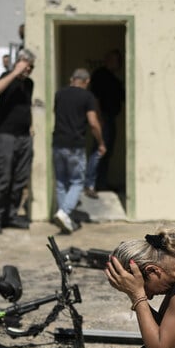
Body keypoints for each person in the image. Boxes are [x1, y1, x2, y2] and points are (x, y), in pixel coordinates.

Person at [0, 49, 36, 235]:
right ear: (19, 62)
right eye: (26, 65)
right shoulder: (6, 77)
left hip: (24, 136)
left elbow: (27, 106)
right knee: (3, 177)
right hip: (5, 134)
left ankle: (11, 215)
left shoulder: (29, 84)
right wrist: (15, 72)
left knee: (20, 178)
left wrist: (30, 126)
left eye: (31, 67)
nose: (28, 70)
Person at [51, 68, 105, 233]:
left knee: (61, 182)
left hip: (58, 143)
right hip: (75, 145)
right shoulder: (87, 97)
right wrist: (101, 142)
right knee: (77, 182)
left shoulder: (59, 94)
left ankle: (65, 218)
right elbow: (93, 122)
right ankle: (64, 212)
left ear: (71, 79)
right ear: (87, 81)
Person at [85, 49, 125, 197]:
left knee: (106, 152)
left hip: (110, 118)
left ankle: (101, 183)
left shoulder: (113, 78)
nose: (119, 63)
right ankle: (90, 185)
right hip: (103, 119)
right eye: (117, 60)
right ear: (108, 60)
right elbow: (95, 98)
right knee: (99, 151)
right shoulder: (100, 75)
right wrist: (99, 118)